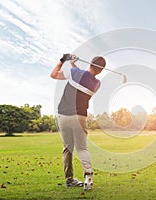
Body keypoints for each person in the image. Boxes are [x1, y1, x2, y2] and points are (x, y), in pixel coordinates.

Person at [50, 54, 106, 190]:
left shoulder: (74, 73)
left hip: (63, 116)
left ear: (90, 63)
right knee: (81, 148)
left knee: (68, 149)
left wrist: (63, 60)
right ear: (101, 70)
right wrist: (74, 65)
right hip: (80, 117)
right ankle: (88, 173)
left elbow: (53, 74)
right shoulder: (97, 84)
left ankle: (69, 180)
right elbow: (83, 77)